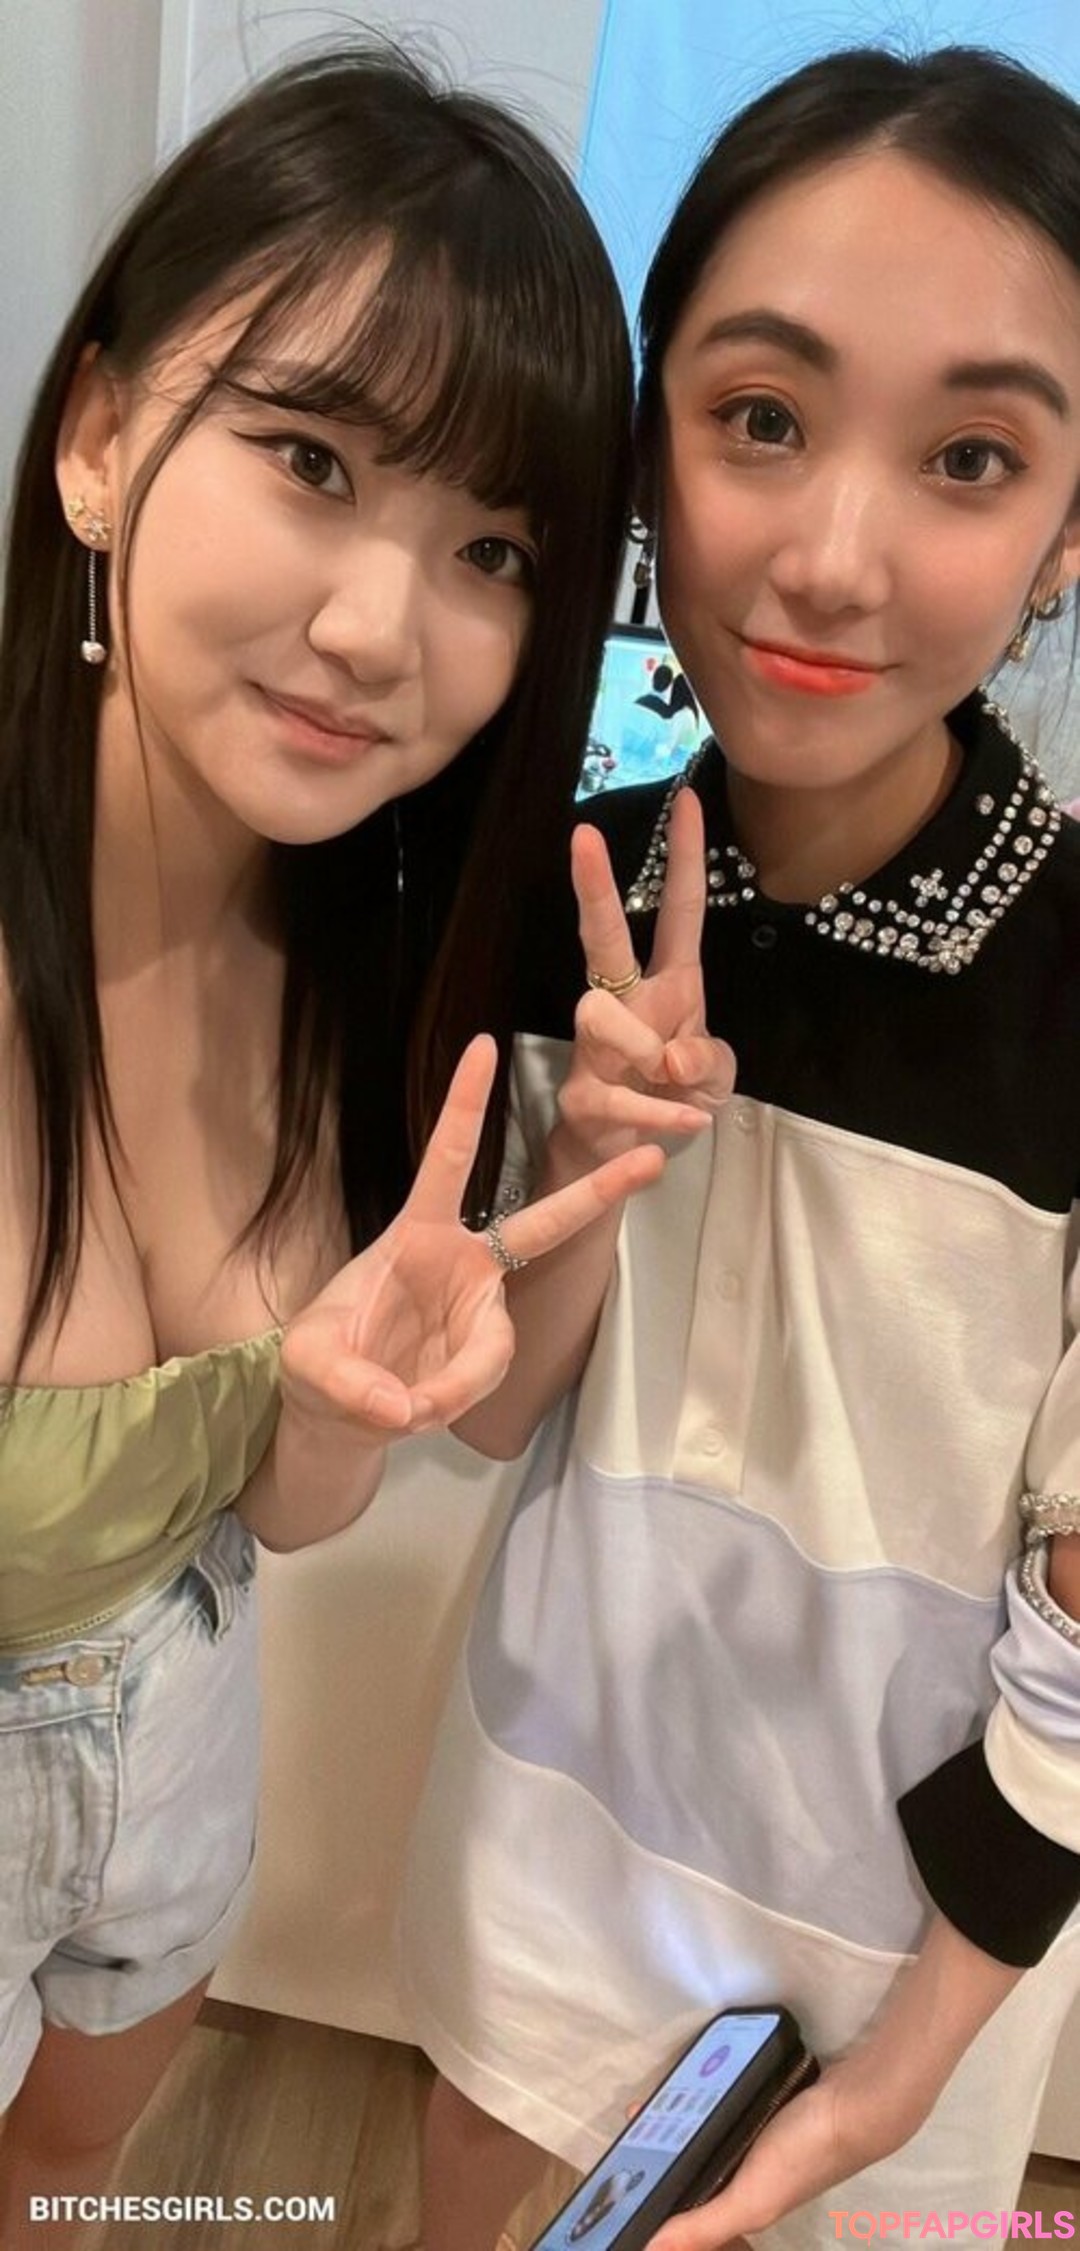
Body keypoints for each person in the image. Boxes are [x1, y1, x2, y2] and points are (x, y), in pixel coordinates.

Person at [400, 44, 1080, 2251]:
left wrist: (905, 2064)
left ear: (1069, 531)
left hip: (914, 1975)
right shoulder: (565, 883)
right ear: (647, 450)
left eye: (970, 457)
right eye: (761, 417)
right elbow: (485, 1408)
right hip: (538, 1872)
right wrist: (586, 1184)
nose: (831, 554)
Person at [0, 44, 665, 2250]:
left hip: (173, 1783)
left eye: (490, 549)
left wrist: (371, 1370)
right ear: (101, 439)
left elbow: (287, 1507)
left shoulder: (363, 960)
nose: (384, 628)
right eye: (310, 458)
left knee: (72, 2184)